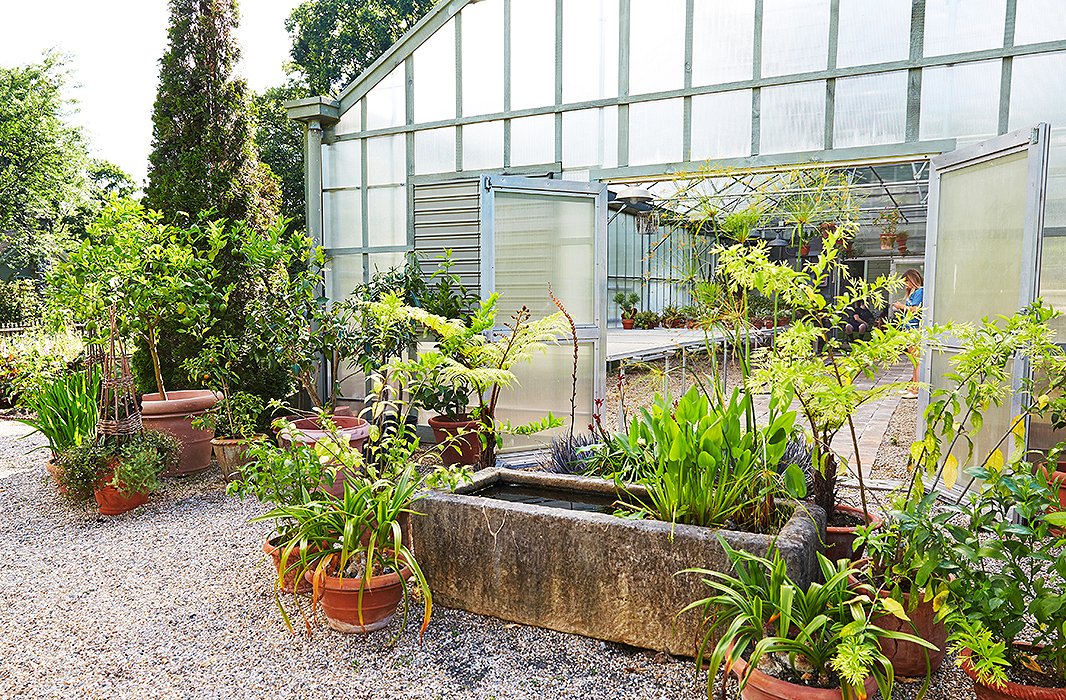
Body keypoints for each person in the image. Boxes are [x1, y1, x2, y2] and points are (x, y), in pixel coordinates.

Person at [892, 269, 924, 398]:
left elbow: (916, 309)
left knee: (917, 360)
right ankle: (913, 386)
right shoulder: (912, 293)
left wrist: (902, 307)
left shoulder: (920, 291)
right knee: (913, 360)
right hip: (909, 328)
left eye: (906, 281)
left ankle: (916, 390)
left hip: (915, 329)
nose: (905, 284)